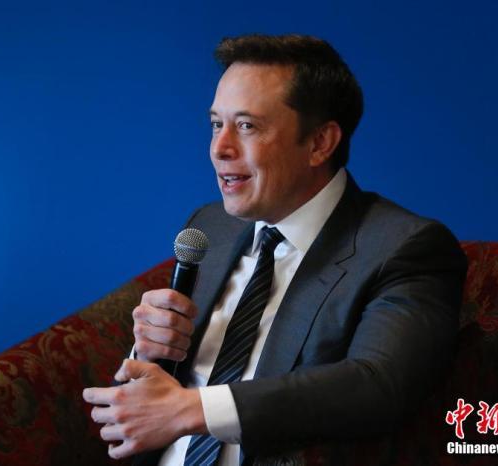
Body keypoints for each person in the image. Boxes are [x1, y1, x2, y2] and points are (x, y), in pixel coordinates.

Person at [83, 34, 467, 466]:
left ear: (320, 143)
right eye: (216, 124)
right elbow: (153, 401)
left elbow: (378, 386)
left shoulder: (402, 247)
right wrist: (151, 351)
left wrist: (195, 410)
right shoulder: (211, 226)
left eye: (247, 126)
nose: (219, 149)